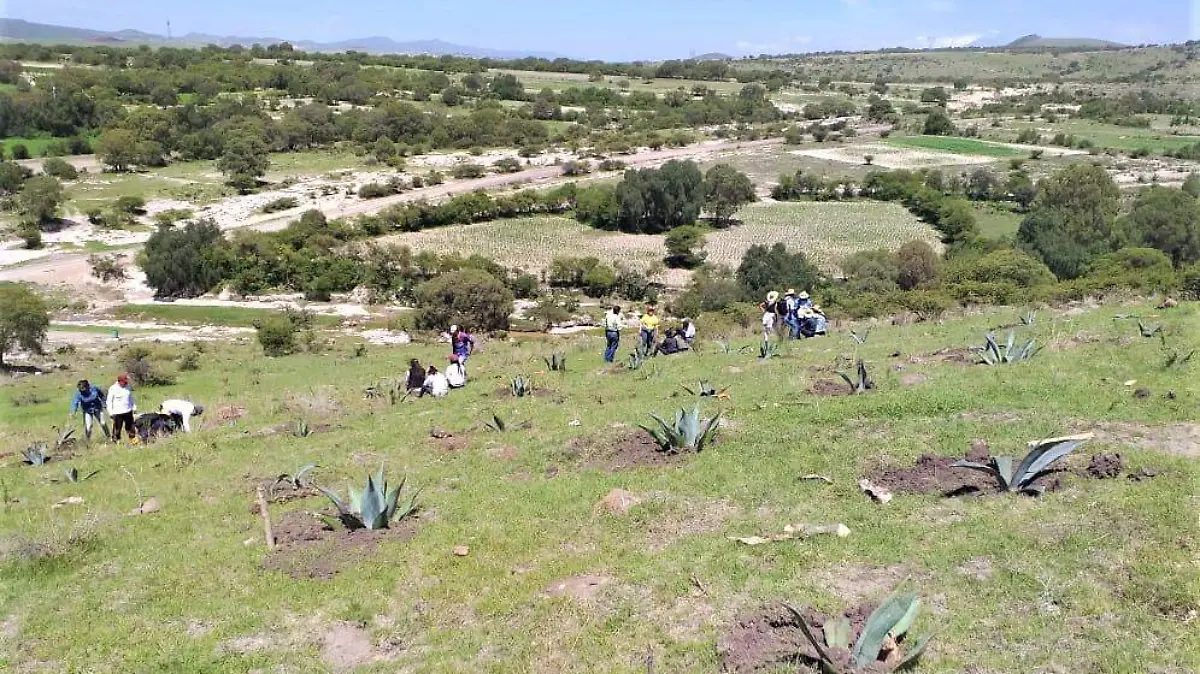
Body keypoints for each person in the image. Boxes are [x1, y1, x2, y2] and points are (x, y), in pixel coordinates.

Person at [107, 374, 138, 445]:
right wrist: (110, 412)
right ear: (119, 381)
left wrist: (134, 407)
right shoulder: (113, 388)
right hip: (117, 412)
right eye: (124, 382)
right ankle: (116, 442)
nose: (125, 383)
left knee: (130, 427)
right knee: (117, 429)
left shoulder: (128, 387)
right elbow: (109, 401)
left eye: (126, 381)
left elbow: (131, 398)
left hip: (128, 411)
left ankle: (133, 441)